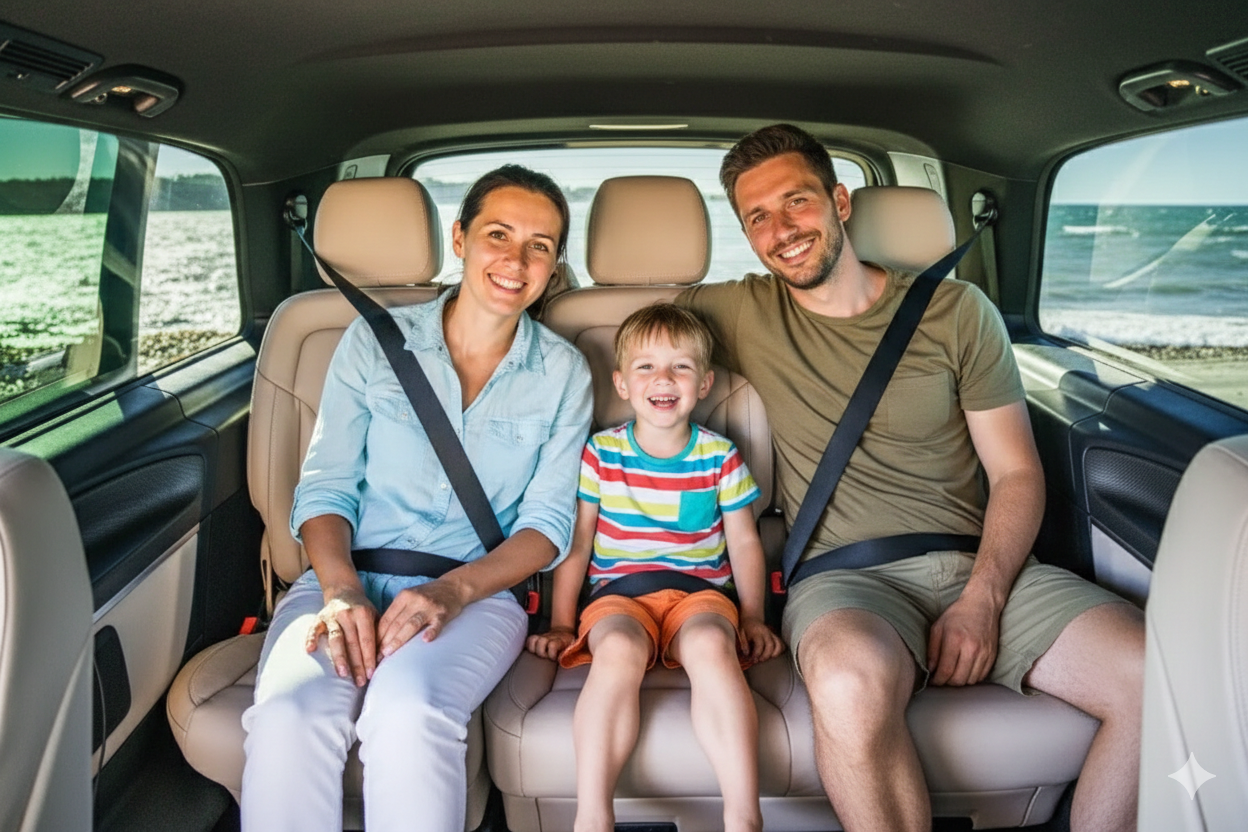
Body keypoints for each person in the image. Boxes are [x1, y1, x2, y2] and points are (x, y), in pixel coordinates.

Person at [676, 124, 1145, 832]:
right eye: (758, 218)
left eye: (796, 202)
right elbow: (634, 347)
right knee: (844, 681)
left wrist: (984, 597)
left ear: (838, 201)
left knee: (1154, 674)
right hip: (845, 577)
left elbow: (1016, 472)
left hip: (983, 563)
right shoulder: (738, 311)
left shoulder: (958, 313)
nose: (781, 230)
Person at [239, 165, 594, 832]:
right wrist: (341, 590)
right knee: (290, 713)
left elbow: (548, 525)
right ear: (459, 239)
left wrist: (455, 592)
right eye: (498, 234)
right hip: (343, 576)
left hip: (478, 594)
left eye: (540, 245)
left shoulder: (563, 371)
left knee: (408, 712)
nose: (517, 261)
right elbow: (327, 486)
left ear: (554, 265)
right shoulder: (373, 343)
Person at [527, 303, 785, 832]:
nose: (663, 379)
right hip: (617, 596)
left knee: (713, 645)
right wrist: (560, 621)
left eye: (681, 367)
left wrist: (754, 616)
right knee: (618, 649)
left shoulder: (720, 457)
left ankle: (743, 815)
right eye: (645, 367)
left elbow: (744, 542)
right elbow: (578, 546)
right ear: (621, 384)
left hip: (700, 596)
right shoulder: (601, 455)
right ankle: (593, 816)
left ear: (705, 382)